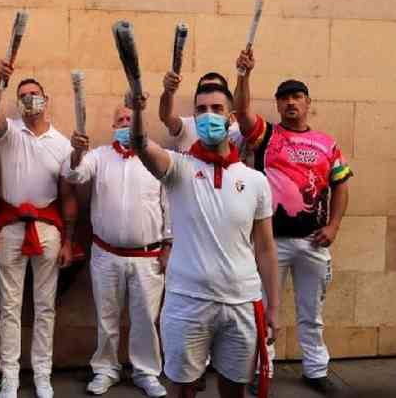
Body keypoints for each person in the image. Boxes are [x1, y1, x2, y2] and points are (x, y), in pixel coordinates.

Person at [130, 78, 280, 398]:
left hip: (241, 302)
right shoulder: (178, 168)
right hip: (187, 302)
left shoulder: (255, 181)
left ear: (231, 117)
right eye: (201, 110)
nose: (208, 115)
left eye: (217, 109)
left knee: (234, 390)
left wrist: (274, 307)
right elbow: (141, 144)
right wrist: (140, 112)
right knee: (182, 389)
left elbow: (266, 249)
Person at [234, 50, 353, 396]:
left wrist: (333, 227)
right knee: (263, 308)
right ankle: (262, 368)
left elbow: (341, 185)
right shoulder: (266, 136)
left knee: (311, 311)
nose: (290, 103)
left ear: (307, 103)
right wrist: (244, 74)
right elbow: (241, 113)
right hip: (270, 241)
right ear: (278, 103)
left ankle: (315, 370)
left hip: (314, 243)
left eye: (296, 97)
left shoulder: (326, 143)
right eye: (284, 97)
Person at [0, 60, 77, 398]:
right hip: (9, 228)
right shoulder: (8, 133)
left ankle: (42, 374)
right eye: (23, 95)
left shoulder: (63, 144)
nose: (29, 100)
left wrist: (68, 240)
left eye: (34, 94)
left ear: (45, 99)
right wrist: (0, 81)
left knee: (45, 305)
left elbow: (68, 195)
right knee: (9, 305)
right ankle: (10, 375)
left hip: (49, 230)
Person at [64, 103, 171, 397]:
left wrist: (169, 246)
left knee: (146, 320)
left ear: (140, 123)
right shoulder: (98, 156)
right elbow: (74, 176)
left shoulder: (157, 157)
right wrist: (76, 152)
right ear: (113, 126)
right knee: (106, 317)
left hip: (148, 256)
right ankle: (105, 369)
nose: (125, 123)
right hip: (106, 254)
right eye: (120, 120)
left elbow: (168, 205)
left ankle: (146, 372)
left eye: (130, 119)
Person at [159, 72, 239, 152]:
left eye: (216, 88)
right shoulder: (187, 126)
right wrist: (168, 92)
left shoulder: (236, 132)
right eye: (204, 88)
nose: (209, 113)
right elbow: (167, 116)